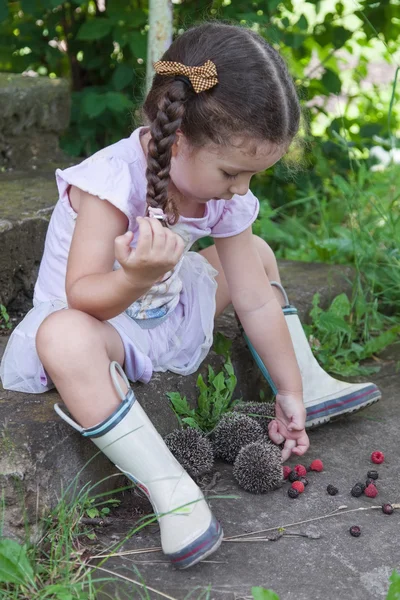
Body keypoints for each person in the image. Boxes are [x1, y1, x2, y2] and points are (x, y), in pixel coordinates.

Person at [0, 21, 381, 568]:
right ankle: (172, 493)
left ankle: (309, 381)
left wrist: (286, 388)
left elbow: (251, 298)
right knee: (59, 337)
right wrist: (133, 278)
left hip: (164, 311)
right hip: (100, 327)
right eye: (233, 172)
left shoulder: (220, 194)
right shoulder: (110, 183)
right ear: (177, 141)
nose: (242, 189)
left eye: (253, 176)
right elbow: (81, 297)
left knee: (260, 257)